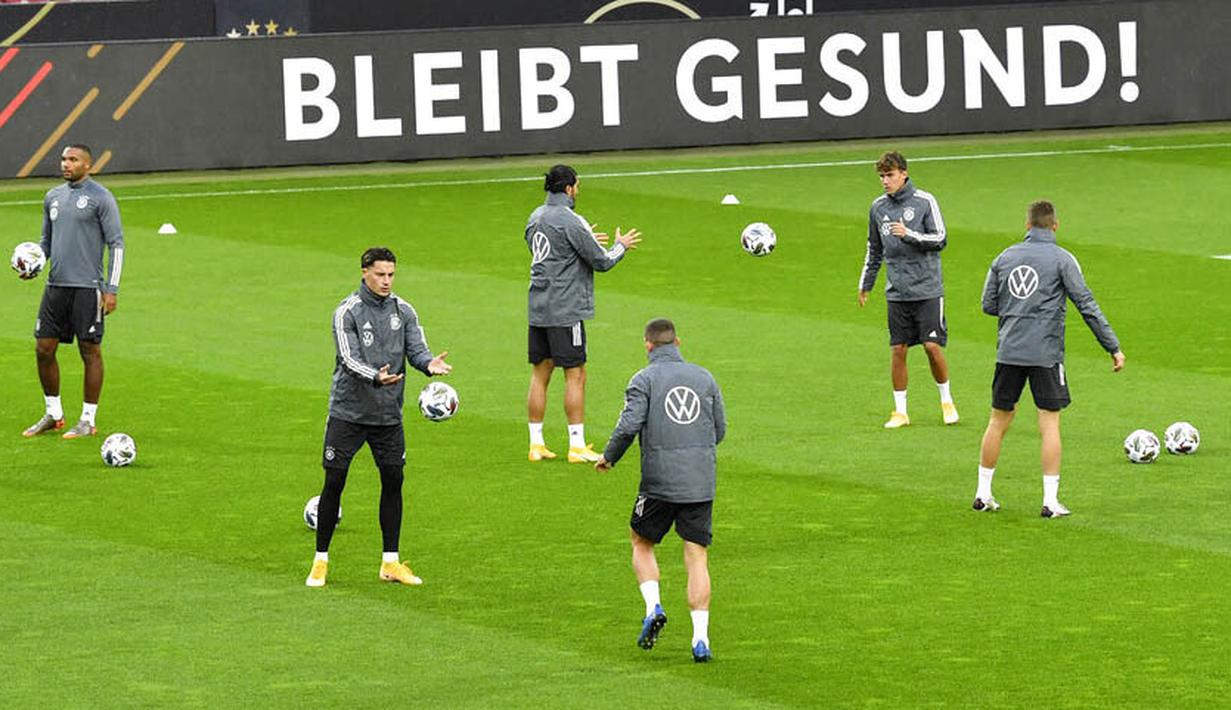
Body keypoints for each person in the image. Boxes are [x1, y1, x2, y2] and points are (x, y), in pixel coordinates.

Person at [305, 247, 453, 588]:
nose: (386, 281)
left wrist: (429, 364)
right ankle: (320, 561)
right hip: (348, 413)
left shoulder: (404, 311)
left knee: (393, 482)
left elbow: (416, 350)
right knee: (334, 482)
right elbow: (348, 359)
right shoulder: (347, 312)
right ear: (364, 273)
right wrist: (375, 376)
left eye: (391, 275)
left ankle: (390, 562)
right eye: (380, 274)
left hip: (388, 417)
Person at [973, 200, 1124, 518]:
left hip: (1009, 352)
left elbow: (988, 304)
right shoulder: (1062, 259)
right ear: (1055, 225)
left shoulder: (1004, 257)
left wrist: (1018, 311)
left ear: (1027, 225)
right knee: (1049, 424)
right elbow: (1087, 306)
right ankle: (1050, 501)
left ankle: (983, 494)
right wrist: (1112, 346)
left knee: (997, 422)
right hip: (1045, 354)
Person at [596, 318, 726, 663]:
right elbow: (720, 430)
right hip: (700, 483)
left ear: (648, 346)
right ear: (678, 342)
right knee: (696, 556)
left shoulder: (644, 379)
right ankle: (701, 639)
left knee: (641, 541)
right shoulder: (705, 378)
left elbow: (628, 425)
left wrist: (609, 457)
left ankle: (653, 606)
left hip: (659, 483)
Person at [525, 164, 641, 463]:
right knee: (575, 374)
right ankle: (576, 446)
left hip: (538, 308)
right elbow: (602, 262)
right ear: (568, 188)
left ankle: (535, 444)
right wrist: (620, 246)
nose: (578, 191)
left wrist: (583, 243)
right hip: (565, 309)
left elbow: (551, 254)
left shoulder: (535, 216)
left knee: (540, 374)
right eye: (577, 186)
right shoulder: (570, 219)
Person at [22, 144, 124, 439]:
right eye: (64, 159)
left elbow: (116, 244)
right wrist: (34, 263)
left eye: (73, 160)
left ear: (88, 165)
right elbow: (46, 242)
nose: (66, 164)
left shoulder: (101, 198)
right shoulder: (52, 197)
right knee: (43, 349)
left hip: (87, 287)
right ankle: (53, 414)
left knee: (89, 350)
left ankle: (87, 420)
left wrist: (111, 289)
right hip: (55, 287)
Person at [857, 151, 958, 429]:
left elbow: (940, 238)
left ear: (904, 173)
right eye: (881, 176)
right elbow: (874, 249)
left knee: (931, 347)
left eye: (889, 175)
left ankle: (946, 401)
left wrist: (909, 234)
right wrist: (866, 283)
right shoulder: (878, 208)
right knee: (898, 349)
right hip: (897, 292)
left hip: (927, 290)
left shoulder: (925, 201)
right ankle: (900, 412)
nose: (884, 181)